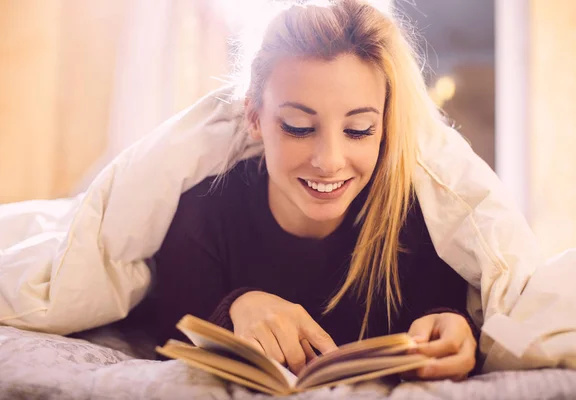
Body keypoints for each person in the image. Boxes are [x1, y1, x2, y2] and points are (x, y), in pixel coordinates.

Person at [144, 0, 478, 381]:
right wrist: (236, 306)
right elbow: (170, 332)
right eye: (299, 126)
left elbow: (448, 312)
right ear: (254, 117)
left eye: (358, 130)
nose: (330, 161)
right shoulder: (202, 214)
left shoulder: (418, 221)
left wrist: (455, 330)